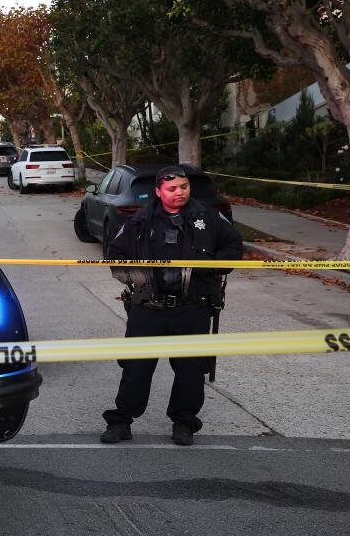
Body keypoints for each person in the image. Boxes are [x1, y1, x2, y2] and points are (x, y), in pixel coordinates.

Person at [100, 165, 243, 446]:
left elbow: (233, 248)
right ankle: (121, 422)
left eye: (184, 187)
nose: (180, 193)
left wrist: (213, 266)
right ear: (158, 191)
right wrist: (136, 276)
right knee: (135, 368)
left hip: (192, 308)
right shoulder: (140, 221)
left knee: (190, 369)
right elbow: (115, 254)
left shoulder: (209, 217)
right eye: (172, 189)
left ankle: (184, 422)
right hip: (148, 308)